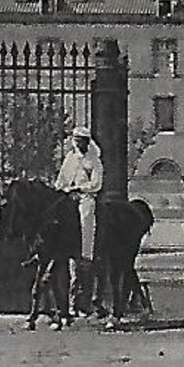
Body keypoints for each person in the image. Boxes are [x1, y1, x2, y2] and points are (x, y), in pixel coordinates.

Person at [55, 126, 104, 316]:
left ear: (87, 141)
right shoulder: (70, 159)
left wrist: (80, 188)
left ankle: (86, 250)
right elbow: (61, 179)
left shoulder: (94, 161)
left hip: (85, 196)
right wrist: (62, 188)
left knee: (86, 215)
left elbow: (96, 183)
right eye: (76, 139)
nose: (78, 143)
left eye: (82, 140)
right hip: (68, 195)